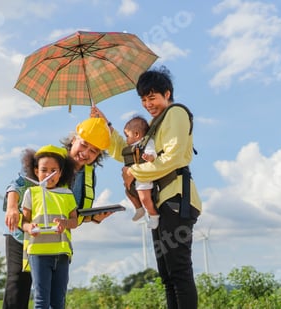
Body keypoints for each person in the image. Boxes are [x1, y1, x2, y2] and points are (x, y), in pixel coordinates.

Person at [92, 66, 202, 309]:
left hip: (177, 199)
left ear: (167, 93)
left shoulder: (175, 114)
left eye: (152, 97)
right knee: (168, 275)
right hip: (161, 204)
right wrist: (106, 126)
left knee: (179, 272)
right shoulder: (154, 124)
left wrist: (134, 172)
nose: (147, 104)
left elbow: (171, 158)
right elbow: (129, 153)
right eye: (143, 99)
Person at [2, 117, 113, 309]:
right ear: (74, 139)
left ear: (98, 156)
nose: (86, 153)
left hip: (53, 245)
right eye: (84, 144)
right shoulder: (50, 159)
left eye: (93, 151)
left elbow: (72, 213)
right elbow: (17, 184)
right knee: (18, 290)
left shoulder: (88, 176)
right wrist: (12, 208)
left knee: (52, 298)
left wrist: (93, 218)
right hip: (24, 236)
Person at [21, 144, 78, 309]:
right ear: (36, 171)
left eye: (54, 171)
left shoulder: (67, 195)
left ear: (60, 173)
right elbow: (23, 221)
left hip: (61, 252)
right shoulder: (31, 193)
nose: (48, 175)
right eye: (44, 170)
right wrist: (29, 227)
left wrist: (65, 223)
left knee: (58, 301)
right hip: (38, 252)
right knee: (41, 300)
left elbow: (74, 221)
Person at [122, 116, 159, 229]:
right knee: (128, 192)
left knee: (144, 198)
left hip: (144, 177)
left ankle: (153, 215)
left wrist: (149, 157)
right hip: (133, 178)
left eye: (127, 136)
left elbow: (153, 154)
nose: (126, 140)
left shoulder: (147, 143)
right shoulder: (132, 147)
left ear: (137, 134)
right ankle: (139, 209)